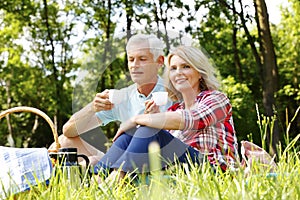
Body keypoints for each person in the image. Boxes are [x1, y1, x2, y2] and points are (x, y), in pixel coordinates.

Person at [94, 45, 239, 181]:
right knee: (132, 134)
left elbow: (193, 119)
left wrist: (137, 119)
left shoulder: (216, 99)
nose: (178, 73)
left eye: (186, 67)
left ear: (199, 73)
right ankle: (98, 177)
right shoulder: (174, 110)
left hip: (215, 171)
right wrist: (152, 118)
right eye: (173, 68)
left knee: (147, 128)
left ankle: (117, 179)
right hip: (179, 170)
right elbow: (164, 147)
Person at [48, 34, 173, 165]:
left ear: (159, 61)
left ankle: (97, 173)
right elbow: (69, 131)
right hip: (121, 160)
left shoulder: (172, 92)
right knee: (64, 142)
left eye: (142, 59)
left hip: (158, 160)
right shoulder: (123, 97)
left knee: (91, 162)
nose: (135, 65)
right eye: (131, 59)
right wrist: (92, 107)